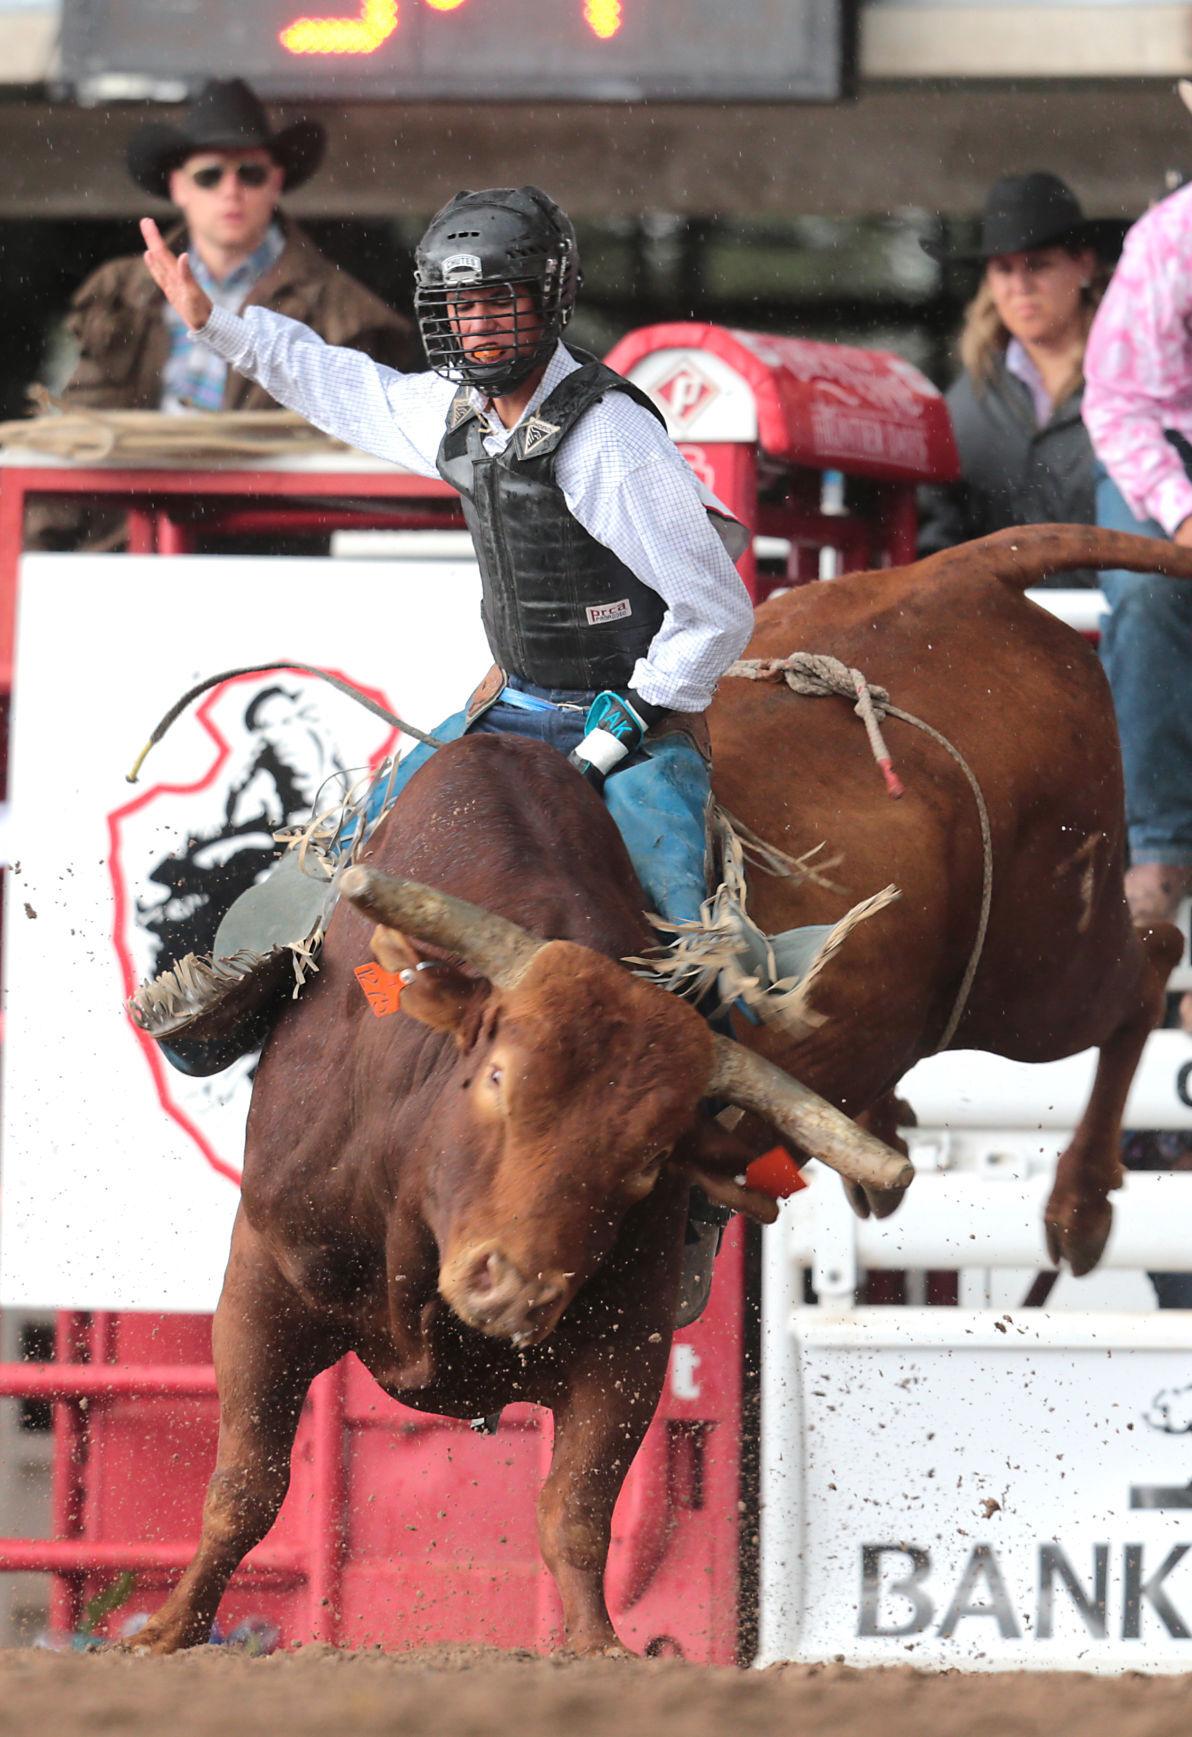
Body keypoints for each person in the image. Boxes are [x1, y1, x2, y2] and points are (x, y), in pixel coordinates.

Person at [134, 185, 754, 1057]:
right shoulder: (450, 412)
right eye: (463, 306)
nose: (480, 325)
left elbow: (715, 610)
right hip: (509, 705)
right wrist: (219, 322)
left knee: (683, 937)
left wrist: (634, 716)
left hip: (638, 723)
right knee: (354, 858)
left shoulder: (609, 437)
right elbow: (339, 381)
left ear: (550, 300)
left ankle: (723, 1113)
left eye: (501, 301)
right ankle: (352, 1009)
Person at [28, 78, 415, 548]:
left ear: (275, 182)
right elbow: (80, 426)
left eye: (250, 173)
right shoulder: (121, 291)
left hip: (267, 549)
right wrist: (35, 547)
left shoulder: (342, 309)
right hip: (130, 545)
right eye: (209, 175)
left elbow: (360, 450)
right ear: (178, 187)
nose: (231, 190)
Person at [917, 172, 1114, 586]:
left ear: (1084, 264)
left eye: (1038, 264)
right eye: (1004, 269)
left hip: (1119, 636)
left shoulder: (1139, 388)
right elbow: (936, 542)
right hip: (998, 641)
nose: (1020, 286)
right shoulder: (963, 406)